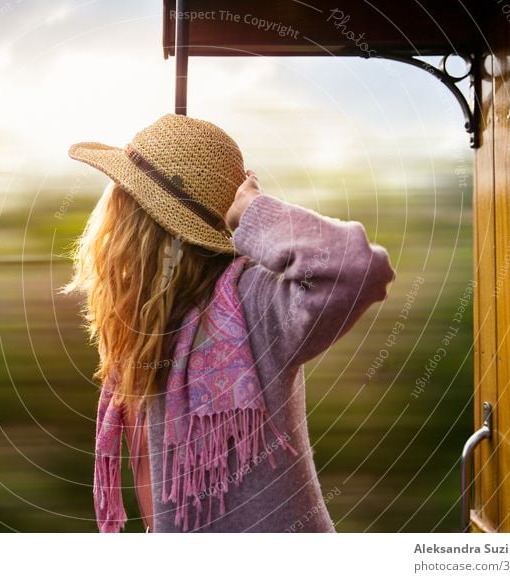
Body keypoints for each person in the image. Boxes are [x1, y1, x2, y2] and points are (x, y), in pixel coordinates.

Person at [62, 113, 395, 532]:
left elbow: (360, 268)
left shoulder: (251, 304)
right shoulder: (144, 327)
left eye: (120, 202)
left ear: (138, 227)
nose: (105, 228)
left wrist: (253, 212)